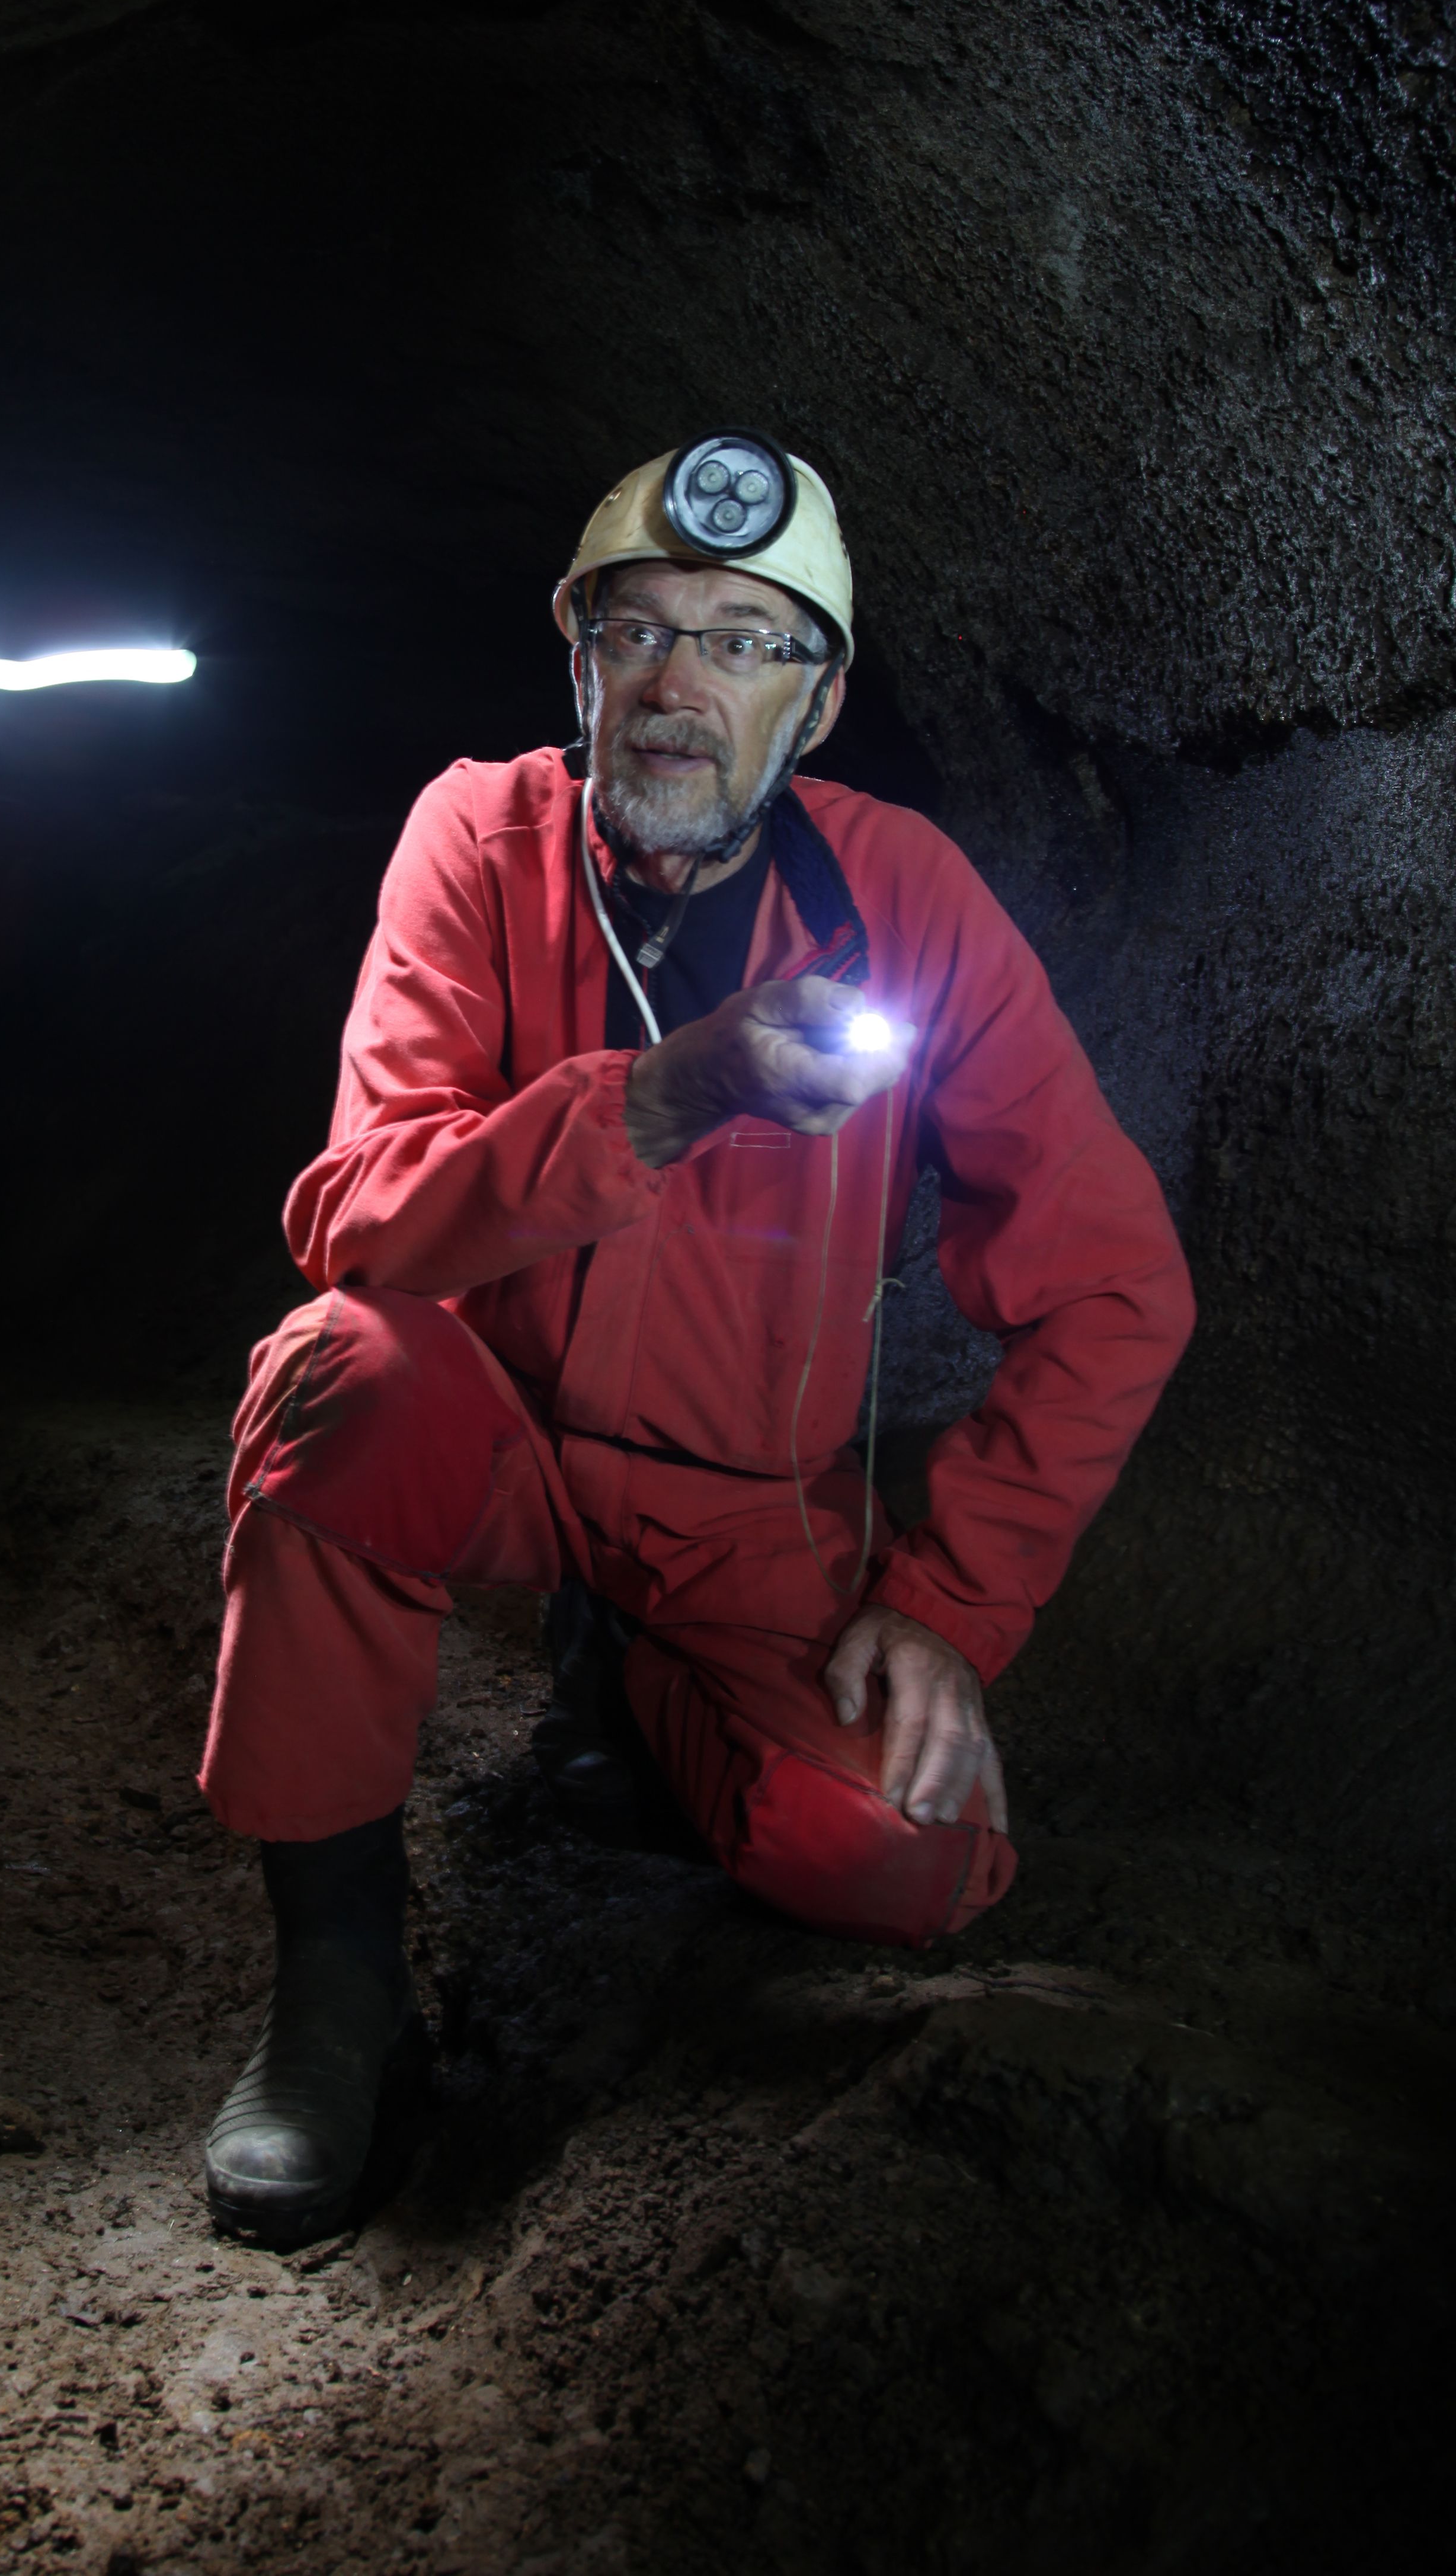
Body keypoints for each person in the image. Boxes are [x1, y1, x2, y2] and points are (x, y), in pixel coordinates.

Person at [194, 434, 1194, 2247]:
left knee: (899, 1860)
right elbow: (359, 1213)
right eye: (640, 633)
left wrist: (954, 1606)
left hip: (742, 1505)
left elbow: (1118, 1286)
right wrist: (663, 1101)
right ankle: (335, 1989)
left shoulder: (909, 904)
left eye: (746, 643)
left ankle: (644, 1693)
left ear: (815, 709)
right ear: (578, 663)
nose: (679, 686)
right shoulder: (475, 840)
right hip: (486, 1426)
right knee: (344, 1375)